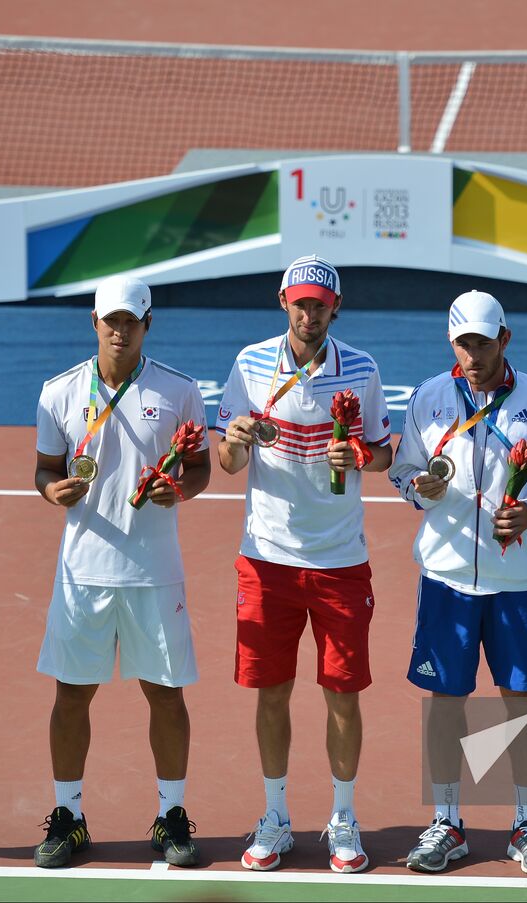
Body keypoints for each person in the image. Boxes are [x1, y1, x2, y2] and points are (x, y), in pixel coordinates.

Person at [389, 289, 527, 876]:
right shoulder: (426, 398)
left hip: (516, 578)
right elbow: (403, 469)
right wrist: (416, 490)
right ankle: (447, 821)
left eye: (484, 341)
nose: (474, 354)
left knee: (520, 701)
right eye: (463, 343)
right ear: (452, 343)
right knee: (446, 701)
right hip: (446, 577)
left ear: (505, 339)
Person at [215, 254, 392, 874]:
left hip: (341, 561)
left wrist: (359, 456)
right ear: (283, 302)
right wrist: (235, 439)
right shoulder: (250, 363)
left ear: (334, 308)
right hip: (266, 560)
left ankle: (343, 818)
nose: (309, 313)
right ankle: (276, 816)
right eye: (300, 302)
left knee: (343, 695)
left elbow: (382, 450)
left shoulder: (363, 368)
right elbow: (228, 461)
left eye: (320, 304)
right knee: (272, 694)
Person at [32, 274, 211, 869]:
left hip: (154, 571)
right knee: (70, 696)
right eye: (110, 319)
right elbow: (45, 469)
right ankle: (69, 815)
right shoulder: (57, 393)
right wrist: (52, 490)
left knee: (165, 696)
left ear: (147, 325)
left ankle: (171, 814)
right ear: (93, 321)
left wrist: (179, 491)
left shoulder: (180, 392)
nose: (119, 329)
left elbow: (201, 469)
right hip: (82, 571)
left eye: (131, 320)